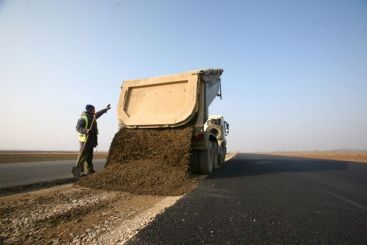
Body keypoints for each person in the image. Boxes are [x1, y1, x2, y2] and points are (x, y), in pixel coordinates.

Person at [75, 104, 111, 176]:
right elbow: (78, 128)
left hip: (91, 140)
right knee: (82, 157)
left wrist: (105, 109)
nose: (95, 111)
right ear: (90, 110)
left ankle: (90, 170)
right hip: (85, 140)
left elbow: (98, 114)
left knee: (89, 157)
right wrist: (86, 130)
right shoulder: (83, 118)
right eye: (93, 109)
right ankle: (79, 172)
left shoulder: (92, 116)